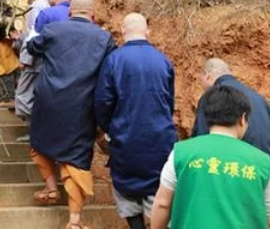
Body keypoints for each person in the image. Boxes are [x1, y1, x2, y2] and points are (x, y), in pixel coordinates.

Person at [27, 0, 116, 229]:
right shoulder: (104, 38)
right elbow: (109, 75)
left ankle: (50, 187)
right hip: (82, 106)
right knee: (76, 156)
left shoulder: (53, 30)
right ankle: (74, 220)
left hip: (48, 100)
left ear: (70, 12)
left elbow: (31, 47)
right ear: (93, 15)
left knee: (38, 141)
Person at [95, 13, 177, 229]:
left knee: (126, 190)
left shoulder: (114, 60)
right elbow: (168, 102)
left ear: (122, 31)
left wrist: (109, 128)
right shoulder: (163, 61)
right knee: (158, 187)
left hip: (125, 137)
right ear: (147, 32)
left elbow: (103, 102)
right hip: (160, 139)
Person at [151, 85, 270, 229]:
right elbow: (267, 212)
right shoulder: (263, 162)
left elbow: (163, 203)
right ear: (243, 119)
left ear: (208, 118)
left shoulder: (181, 153)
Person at [193, 58, 270, 155]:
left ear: (207, 76)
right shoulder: (260, 99)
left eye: (200, 81)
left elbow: (201, 140)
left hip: (235, 163)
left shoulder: (213, 96)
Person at [14, 0, 50, 124]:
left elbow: (34, 34)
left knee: (24, 93)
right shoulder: (46, 6)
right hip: (41, 57)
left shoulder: (37, 7)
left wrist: (25, 58)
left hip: (34, 57)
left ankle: (32, 129)